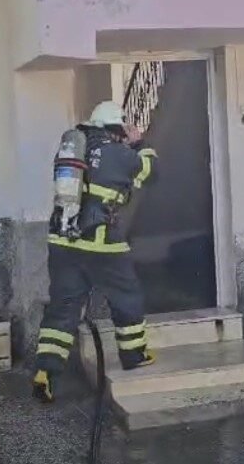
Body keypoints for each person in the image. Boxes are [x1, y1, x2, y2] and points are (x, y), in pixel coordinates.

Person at [32, 101, 159, 403]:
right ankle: (134, 354)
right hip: (102, 244)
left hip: (63, 242)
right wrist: (140, 143)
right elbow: (151, 172)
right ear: (115, 129)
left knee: (63, 307)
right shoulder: (120, 154)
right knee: (126, 296)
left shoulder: (72, 151)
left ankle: (45, 372)